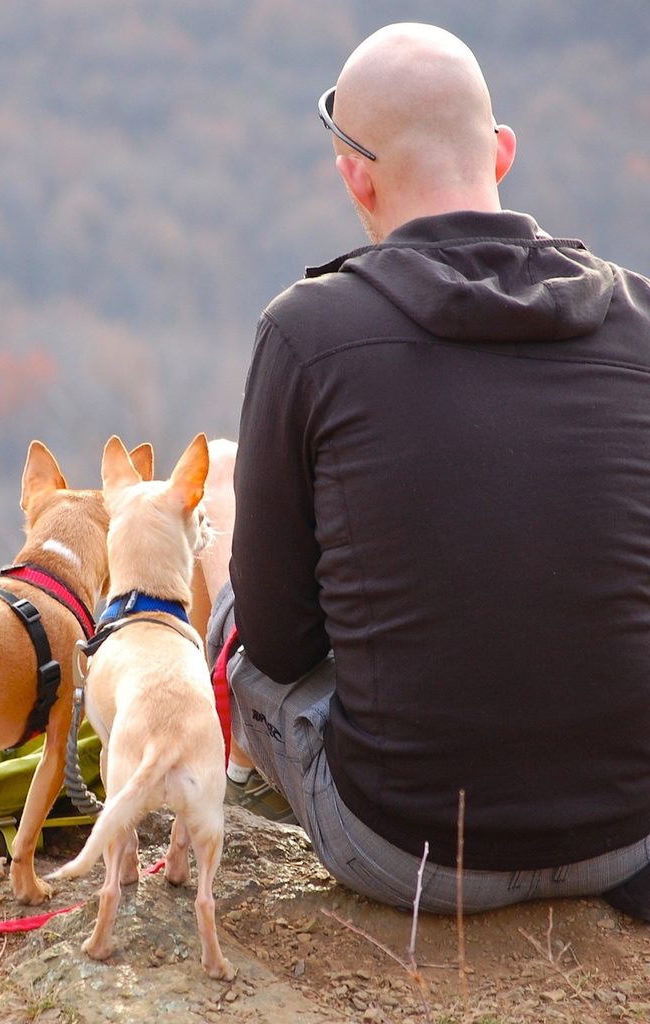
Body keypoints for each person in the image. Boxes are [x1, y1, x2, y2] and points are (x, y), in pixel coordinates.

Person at [208, 22, 650, 917]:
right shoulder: (640, 322)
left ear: (355, 175)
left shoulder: (307, 333)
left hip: (402, 846)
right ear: (503, 152)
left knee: (216, 485)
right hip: (628, 833)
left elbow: (282, 644)